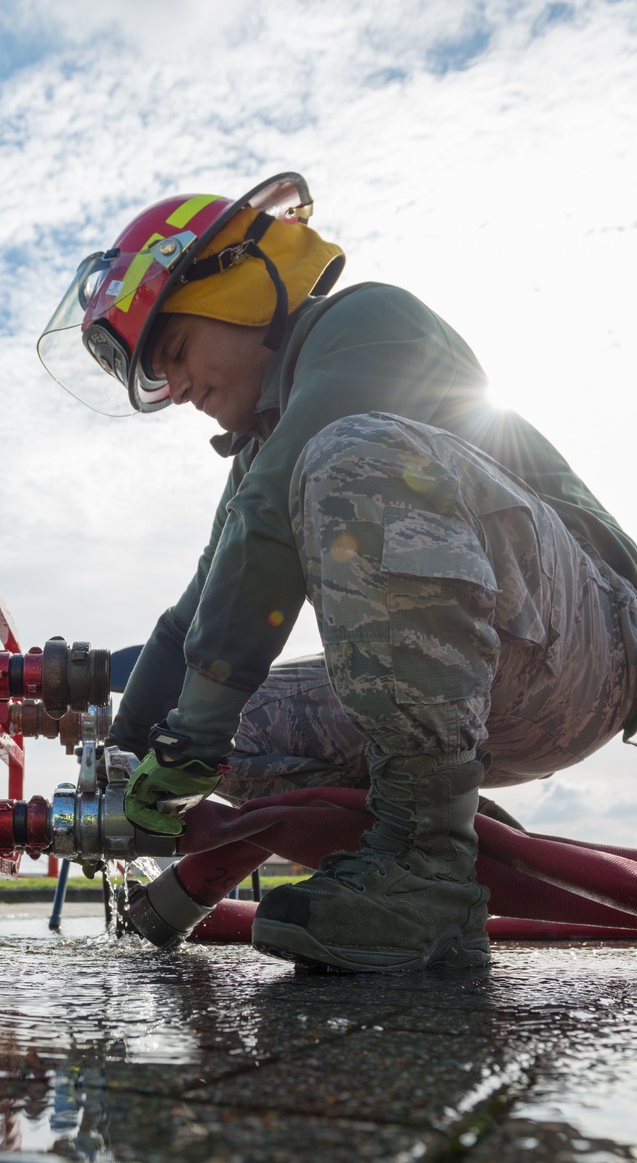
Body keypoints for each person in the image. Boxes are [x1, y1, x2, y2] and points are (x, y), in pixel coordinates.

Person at [38, 172, 637, 973]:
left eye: (175, 352)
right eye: (158, 378)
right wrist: (130, 763)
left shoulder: (368, 322)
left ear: (242, 287)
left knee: (351, 459)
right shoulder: (264, 444)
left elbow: (264, 534)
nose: (175, 391)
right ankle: (452, 846)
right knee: (243, 739)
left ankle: (423, 867)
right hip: (484, 699)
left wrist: (186, 744)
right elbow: (190, 622)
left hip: (586, 650)